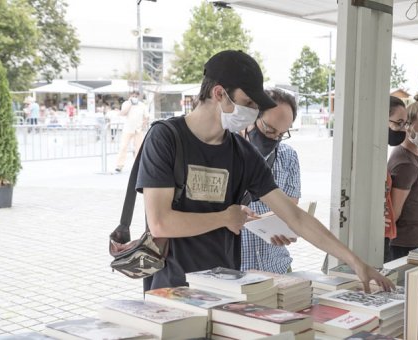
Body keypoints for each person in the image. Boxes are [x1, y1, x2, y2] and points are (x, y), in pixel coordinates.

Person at [136, 50, 392, 292]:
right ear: (219, 93)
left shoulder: (241, 152)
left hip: (224, 287)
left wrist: (355, 261)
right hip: (170, 288)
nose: (251, 112)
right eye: (247, 102)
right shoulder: (165, 138)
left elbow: (295, 217)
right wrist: (225, 218)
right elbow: (160, 223)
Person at [239, 88, 300, 274]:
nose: (273, 139)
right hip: (234, 272)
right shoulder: (224, 152)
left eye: (281, 135)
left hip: (277, 267)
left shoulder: (287, 156)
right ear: (251, 117)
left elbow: (290, 209)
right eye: (269, 130)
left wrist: (287, 229)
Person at [387, 100, 418, 260]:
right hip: (404, 245)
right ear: (407, 126)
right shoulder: (405, 163)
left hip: (416, 241)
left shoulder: (416, 154)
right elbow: (394, 211)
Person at [384, 96, 408, 263]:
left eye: (405, 123)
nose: (403, 129)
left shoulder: (378, 154)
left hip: (383, 235)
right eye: (398, 123)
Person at [115, 91, 149, 172]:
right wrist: (130, 104)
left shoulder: (142, 105)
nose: (135, 97)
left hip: (138, 130)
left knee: (139, 148)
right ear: (130, 96)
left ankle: (138, 166)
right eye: (133, 96)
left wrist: (143, 125)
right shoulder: (126, 104)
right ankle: (119, 165)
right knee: (123, 147)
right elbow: (123, 113)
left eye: (136, 96)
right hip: (128, 129)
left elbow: (146, 117)